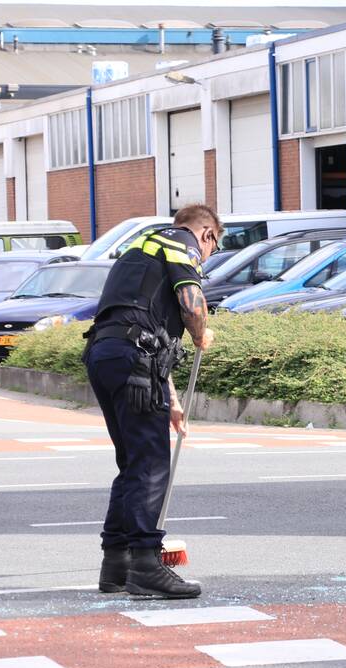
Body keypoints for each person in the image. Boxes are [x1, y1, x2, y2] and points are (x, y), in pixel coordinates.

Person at [83, 203, 220, 598]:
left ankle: (117, 564)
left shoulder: (138, 249)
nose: (206, 256)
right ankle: (146, 563)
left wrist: (172, 400)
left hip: (105, 355)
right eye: (212, 247)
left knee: (132, 463)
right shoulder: (183, 244)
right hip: (134, 360)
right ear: (207, 234)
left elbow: (148, 331)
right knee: (151, 463)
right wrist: (200, 332)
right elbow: (190, 300)